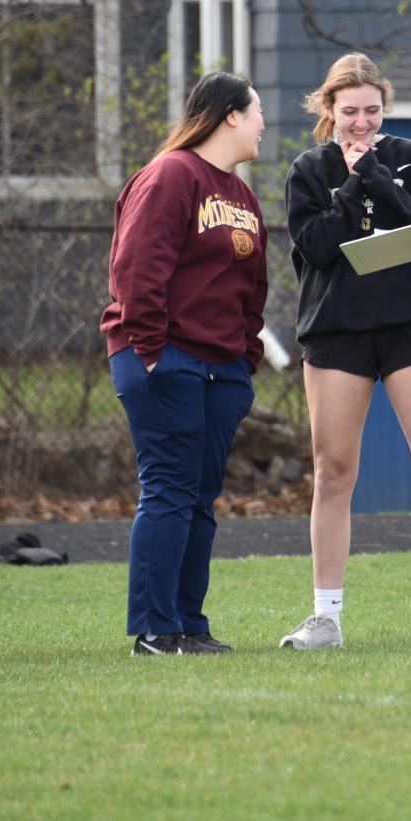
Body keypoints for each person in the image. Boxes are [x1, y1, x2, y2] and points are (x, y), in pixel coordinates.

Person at [279, 54, 411, 650]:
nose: (361, 122)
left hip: (410, 325)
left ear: (385, 108)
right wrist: (353, 185)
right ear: (329, 110)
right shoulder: (308, 169)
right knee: (334, 471)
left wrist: (380, 178)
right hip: (338, 330)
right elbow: (319, 247)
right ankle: (325, 617)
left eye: (372, 111)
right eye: (349, 111)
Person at [103, 71, 268, 656]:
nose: (262, 124)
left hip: (221, 368)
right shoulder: (172, 175)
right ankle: (154, 629)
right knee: (170, 489)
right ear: (229, 115)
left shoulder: (243, 196)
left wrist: (245, 364)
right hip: (164, 356)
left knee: (200, 497)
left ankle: (188, 625)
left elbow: (254, 292)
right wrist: (150, 352)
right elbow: (137, 271)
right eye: (256, 113)